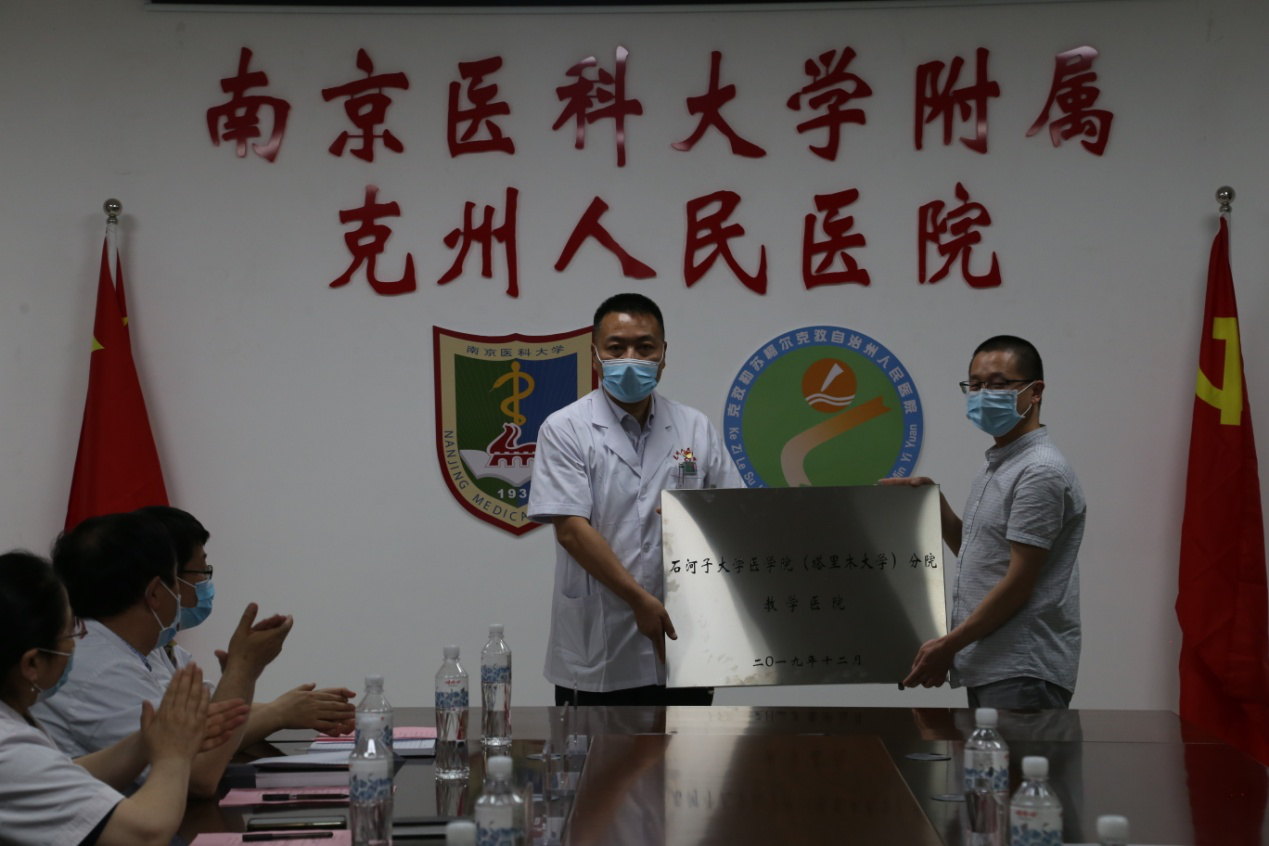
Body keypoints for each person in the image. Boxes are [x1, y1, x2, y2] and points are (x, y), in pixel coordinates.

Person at [527, 292, 744, 706]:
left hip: (685, 640)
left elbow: (735, 514)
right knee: (595, 750)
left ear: (663, 355)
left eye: (645, 348)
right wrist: (639, 600)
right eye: (616, 347)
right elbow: (571, 530)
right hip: (598, 650)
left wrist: (700, 518)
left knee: (689, 749)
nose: (631, 359)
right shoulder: (565, 428)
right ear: (595, 355)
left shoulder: (694, 427)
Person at [882, 335, 1085, 709]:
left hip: (1020, 669)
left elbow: (1018, 583)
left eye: (997, 384)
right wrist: (935, 505)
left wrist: (949, 645)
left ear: (1035, 391)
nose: (982, 394)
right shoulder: (1000, 463)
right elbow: (985, 557)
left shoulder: (1038, 471)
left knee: (1010, 753)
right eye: (974, 385)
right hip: (993, 666)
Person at [31, 511, 291, 795]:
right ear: (155, 593)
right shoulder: (101, 667)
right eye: (175, 580)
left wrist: (246, 673)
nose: (180, 594)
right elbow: (197, 775)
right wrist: (244, 667)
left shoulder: (117, 649)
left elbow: (197, 732)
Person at [0, 550, 248, 846]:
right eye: (70, 633)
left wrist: (147, 741)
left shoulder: (12, 729)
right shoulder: (9, 750)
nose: (77, 645)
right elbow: (146, 833)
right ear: (31, 664)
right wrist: (174, 755)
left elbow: (63, 775)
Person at [136, 505, 356, 743]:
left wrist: (298, 707)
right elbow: (189, 743)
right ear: (162, 583)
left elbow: (210, 711)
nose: (205, 582)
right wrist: (252, 677)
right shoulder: (121, 662)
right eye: (201, 571)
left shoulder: (166, 649)